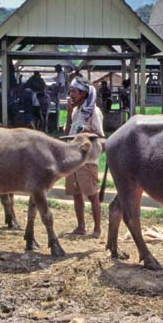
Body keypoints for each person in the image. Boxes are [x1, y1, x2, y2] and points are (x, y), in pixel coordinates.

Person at [64, 77, 104, 237]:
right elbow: (68, 132)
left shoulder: (94, 112)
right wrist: (68, 114)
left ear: (82, 93)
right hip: (73, 158)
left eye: (74, 91)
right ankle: (81, 227)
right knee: (76, 194)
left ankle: (97, 229)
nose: (71, 94)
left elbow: (100, 135)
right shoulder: (75, 111)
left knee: (92, 195)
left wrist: (86, 132)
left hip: (87, 159)